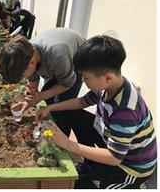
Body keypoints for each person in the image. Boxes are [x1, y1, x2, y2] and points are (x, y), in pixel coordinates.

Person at [36, 35, 157, 189]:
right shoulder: (107, 86)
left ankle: (128, 185)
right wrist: (50, 107)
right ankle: (91, 165)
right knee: (70, 113)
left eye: (86, 78)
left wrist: (68, 144)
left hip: (130, 166)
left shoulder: (125, 110)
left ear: (107, 78)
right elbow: (81, 102)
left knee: (78, 185)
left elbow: (114, 158)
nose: (84, 82)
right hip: (111, 141)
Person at [0, 28, 92, 146]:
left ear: (32, 62)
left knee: (61, 109)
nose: (23, 78)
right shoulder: (25, 53)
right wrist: (29, 101)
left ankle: (61, 146)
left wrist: (41, 96)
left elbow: (68, 83)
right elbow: (33, 78)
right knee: (48, 98)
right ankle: (51, 133)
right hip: (59, 65)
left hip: (76, 65)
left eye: (22, 76)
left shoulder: (57, 55)